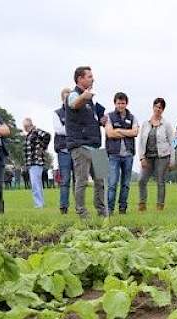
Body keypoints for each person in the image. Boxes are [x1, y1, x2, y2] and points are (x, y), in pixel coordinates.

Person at [65, 66, 108, 218]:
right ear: (80, 79)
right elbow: (74, 104)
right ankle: (82, 213)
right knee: (81, 181)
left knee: (102, 181)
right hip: (80, 146)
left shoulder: (91, 101)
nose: (93, 79)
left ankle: (103, 212)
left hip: (96, 145)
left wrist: (101, 120)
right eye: (89, 76)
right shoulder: (72, 95)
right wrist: (84, 96)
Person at [137, 98, 176, 212]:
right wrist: (141, 157)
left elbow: (172, 143)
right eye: (156, 106)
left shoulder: (166, 124)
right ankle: (142, 205)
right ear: (153, 107)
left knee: (160, 181)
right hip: (148, 157)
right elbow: (141, 142)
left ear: (163, 110)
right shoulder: (145, 124)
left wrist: (172, 160)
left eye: (160, 107)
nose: (158, 109)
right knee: (141, 180)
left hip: (162, 157)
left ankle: (160, 206)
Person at [105, 92, 139, 214]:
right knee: (112, 183)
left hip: (128, 155)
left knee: (125, 184)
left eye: (123, 103)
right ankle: (109, 209)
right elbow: (110, 133)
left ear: (126, 103)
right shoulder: (108, 117)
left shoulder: (133, 117)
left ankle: (122, 209)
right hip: (114, 155)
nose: (121, 105)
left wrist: (118, 130)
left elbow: (135, 132)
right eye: (118, 103)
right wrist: (127, 132)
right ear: (115, 103)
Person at [53, 88, 75, 214]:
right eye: (65, 97)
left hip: (77, 149)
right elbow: (59, 130)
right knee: (65, 179)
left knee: (78, 180)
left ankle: (79, 206)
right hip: (64, 150)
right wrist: (74, 129)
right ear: (62, 99)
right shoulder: (57, 113)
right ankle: (64, 207)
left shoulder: (78, 112)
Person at [22, 118, 51, 209]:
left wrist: (43, 147)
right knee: (37, 183)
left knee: (35, 184)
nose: (25, 128)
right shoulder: (29, 134)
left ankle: (38, 204)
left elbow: (47, 135)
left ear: (29, 125)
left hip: (36, 161)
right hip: (31, 162)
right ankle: (40, 203)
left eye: (25, 126)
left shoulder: (36, 132)